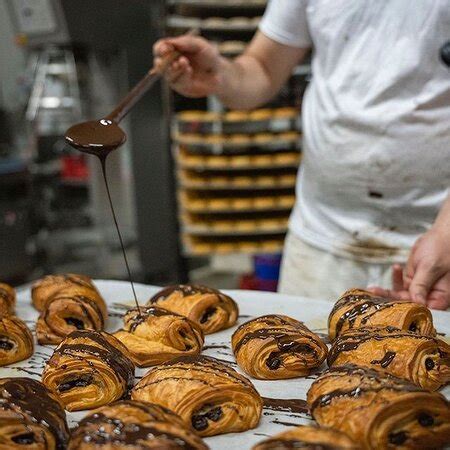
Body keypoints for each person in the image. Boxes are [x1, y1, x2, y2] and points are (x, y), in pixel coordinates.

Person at [154, 0, 450, 310]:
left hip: (433, 247)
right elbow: (264, 69)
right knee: (297, 355)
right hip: (320, 240)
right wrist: (221, 75)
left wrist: (445, 231)